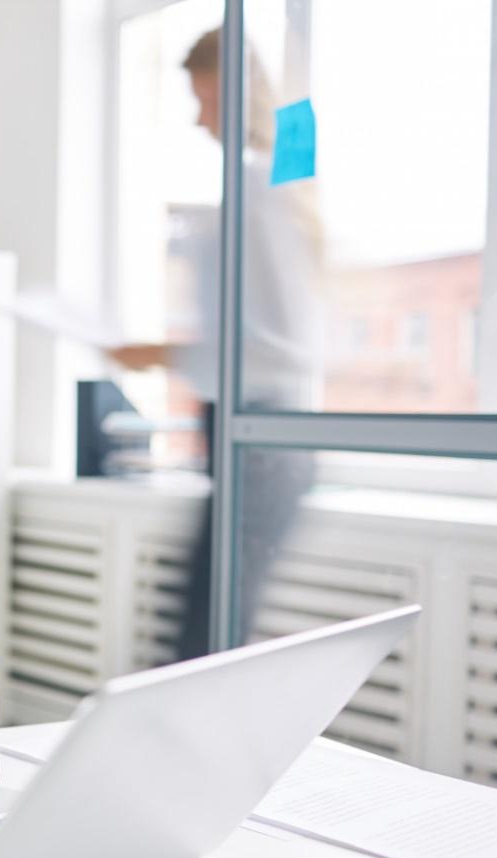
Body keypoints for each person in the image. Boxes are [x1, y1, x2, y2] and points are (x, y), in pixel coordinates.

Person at [108, 27, 320, 659]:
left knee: (204, 643)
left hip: (263, 436)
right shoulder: (263, 187)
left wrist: (160, 354)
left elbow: (278, 346)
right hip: (247, 437)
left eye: (205, 101)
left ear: (239, 93)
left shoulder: (262, 191)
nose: (201, 123)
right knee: (207, 634)